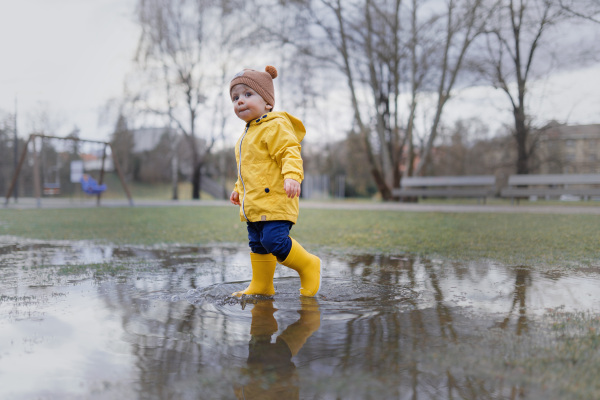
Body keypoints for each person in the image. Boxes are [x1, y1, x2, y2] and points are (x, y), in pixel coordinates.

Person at [229, 65, 321, 298]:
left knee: (274, 241)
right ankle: (262, 285)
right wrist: (238, 189)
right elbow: (247, 171)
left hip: (277, 200)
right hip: (254, 204)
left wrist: (292, 176)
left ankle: (308, 264)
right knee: (258, 243)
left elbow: (290, 151)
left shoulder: (275, 125)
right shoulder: (244, 136)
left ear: (268, 103)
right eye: (235, 97)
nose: (240, 101)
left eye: (248, 94)